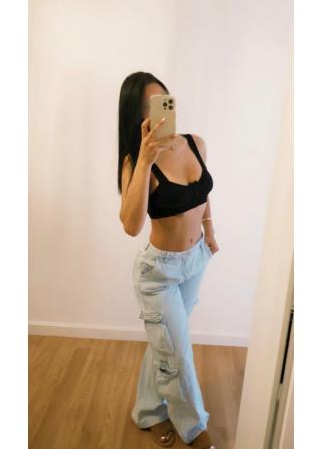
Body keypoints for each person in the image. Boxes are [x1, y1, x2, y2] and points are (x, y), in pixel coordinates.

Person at [118, 71, 218, 449]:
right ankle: (196, 429)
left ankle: (148, 410)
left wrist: (209, 232)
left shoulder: (195, 143)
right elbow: (131, 225)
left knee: (165, 344)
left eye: (163, 99)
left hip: (195, 261)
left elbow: (204, 192)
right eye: (149, 106)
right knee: (177, 353)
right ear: (137, 116)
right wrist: (145, 161)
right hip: (158, 274)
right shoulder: (136, 161)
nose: (159, 111)